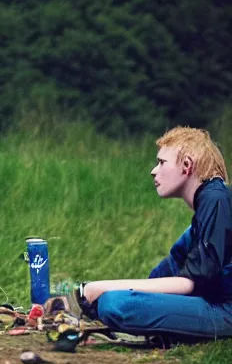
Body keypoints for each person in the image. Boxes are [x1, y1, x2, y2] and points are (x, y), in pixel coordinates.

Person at [69, 126, 232, 339]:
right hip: (212, 297)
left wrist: (94, 289)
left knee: (115, 304)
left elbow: (189, 282)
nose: (153, 170)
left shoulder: (215, 201)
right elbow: (170, 271)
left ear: (186, 165)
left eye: (162, 162)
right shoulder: (211, 199)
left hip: (225, 309)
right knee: (183, 244)